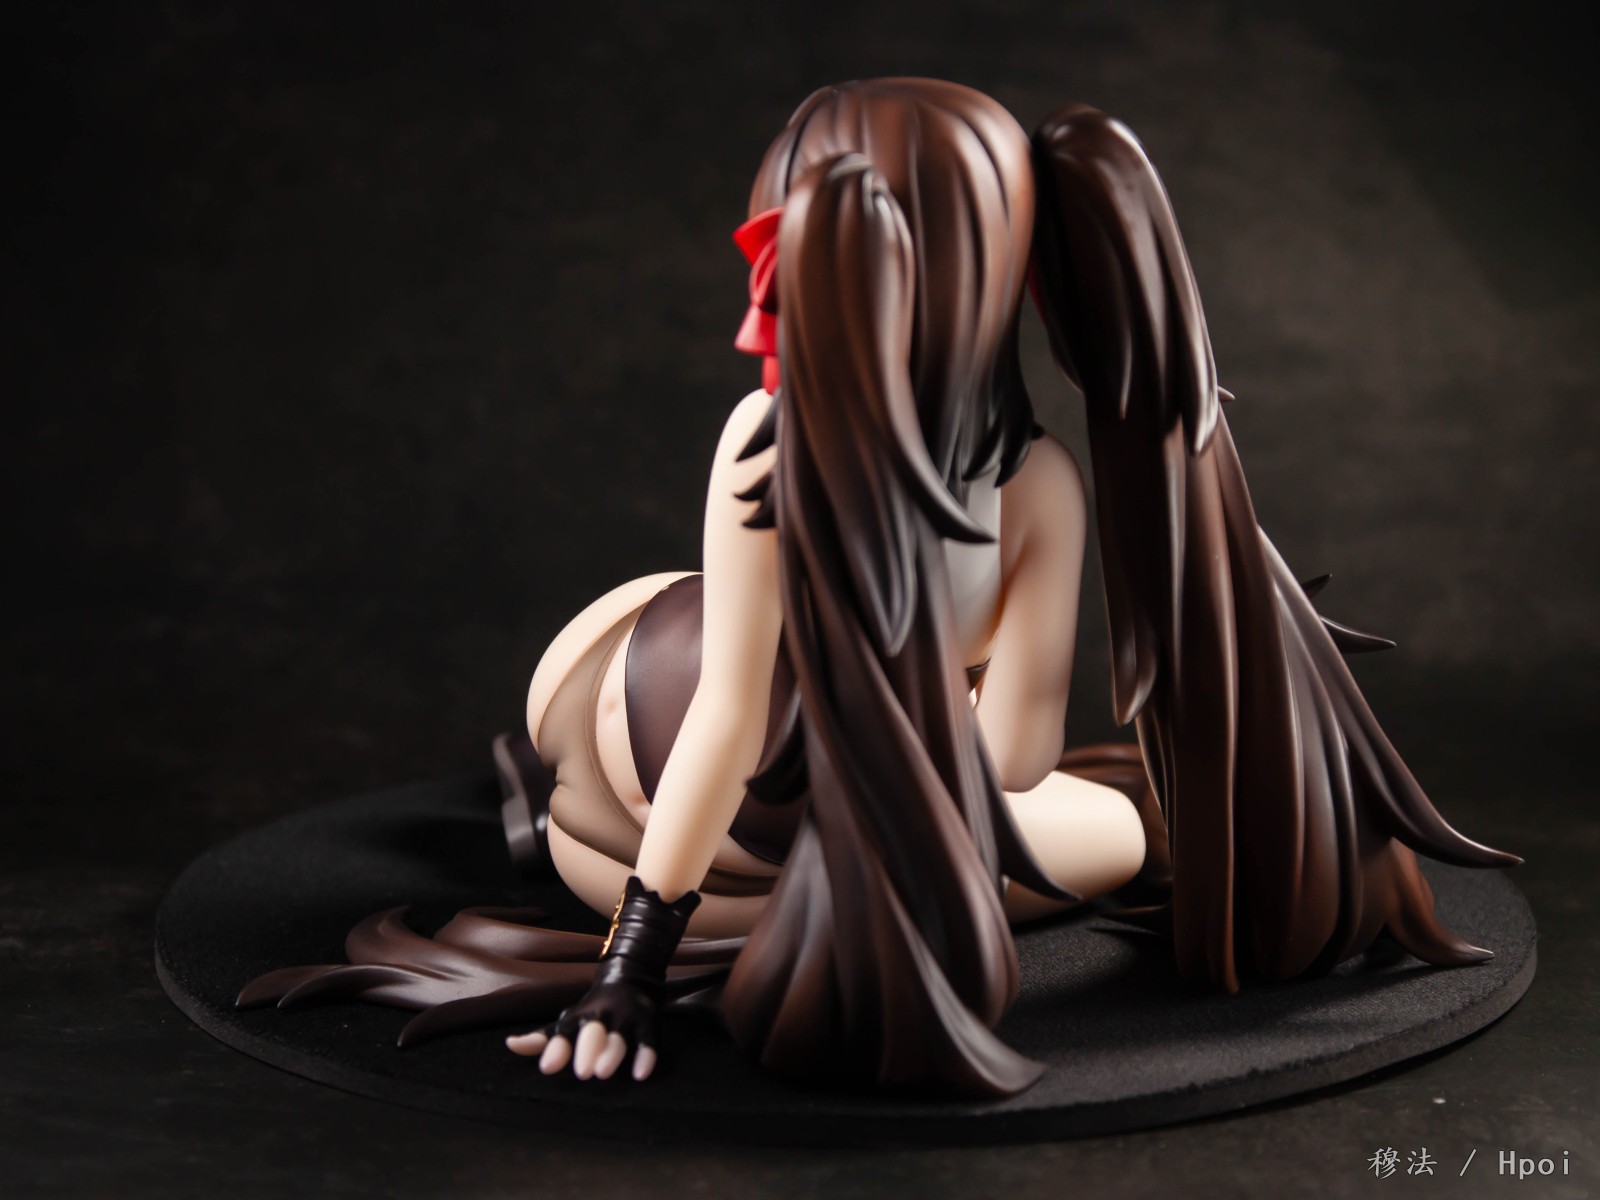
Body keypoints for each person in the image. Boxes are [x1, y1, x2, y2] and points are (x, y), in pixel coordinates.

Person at [241, 79, 1517, 1099]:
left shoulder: (771, 438)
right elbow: (999, 761)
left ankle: (572, 818)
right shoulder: (1035, 486)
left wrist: (634, 952)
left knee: (987, 805)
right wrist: (632, 964)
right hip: (699, 775)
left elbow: (752, 718)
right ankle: (583, 823)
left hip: (656, 725)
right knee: (1105, 836)